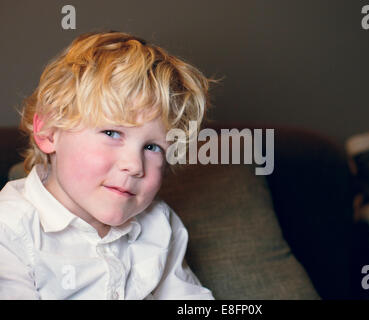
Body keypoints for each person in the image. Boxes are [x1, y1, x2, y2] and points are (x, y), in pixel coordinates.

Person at [0, 31, 215, 300]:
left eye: (152, 147)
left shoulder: (159, 223)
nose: (135, 165)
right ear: (48, 132)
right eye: (112, 133)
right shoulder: (9, 229)